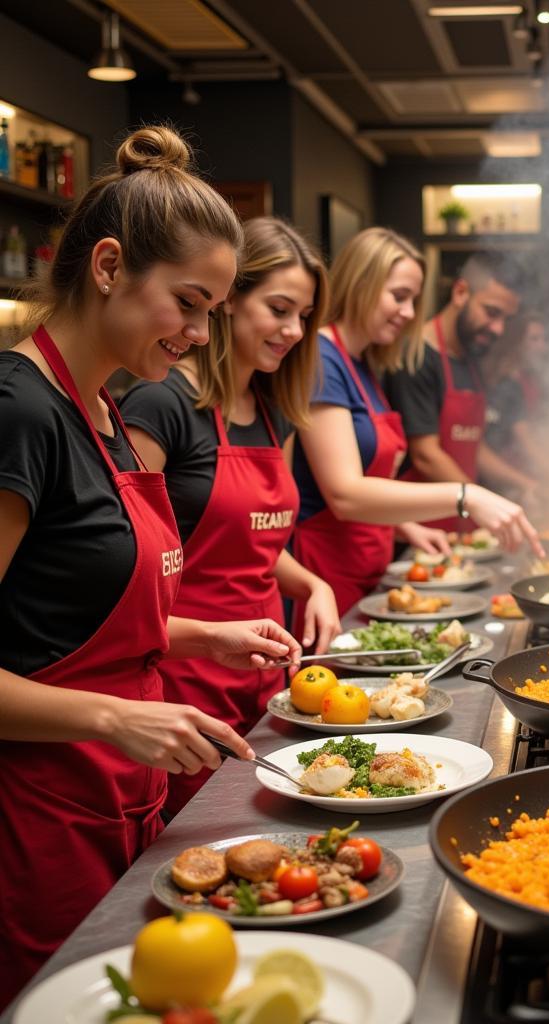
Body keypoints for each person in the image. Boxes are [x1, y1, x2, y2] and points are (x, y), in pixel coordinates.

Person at [0, 126, 300, 1006]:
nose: (203, 333)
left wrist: (204, 635)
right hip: (37, 820)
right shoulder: (19, 413)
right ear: (105, 267)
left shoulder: (96, 407)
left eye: (214, 310)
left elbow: (64, 611)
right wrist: (116, 718)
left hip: (118, 798)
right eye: (190, 303)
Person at [121, 216, 338, 818]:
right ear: (228, 302)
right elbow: (125, 558)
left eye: (304, 316)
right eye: (279, 308)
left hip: (265, 671)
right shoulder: (162, 405)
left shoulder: (272, 412)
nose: (294, 330)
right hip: (185, 678)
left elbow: (258, 543)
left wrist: (311, 582)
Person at [292, 228, 544, 618]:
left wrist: (405, 526)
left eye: (413, 300)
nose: (409, 313)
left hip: (366, 566)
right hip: (328, 571)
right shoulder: (322, 360)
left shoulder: (363, 364)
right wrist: (467, 496)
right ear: (361, 284)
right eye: (399, 297)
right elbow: (344, 494)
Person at [385, 251, 537, 527]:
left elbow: (472, 445)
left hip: (458, 520)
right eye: (491, 313)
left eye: (505, 319)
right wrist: (480, 499)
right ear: (460, 292)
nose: (498, 329)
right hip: (420, 528)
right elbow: (426, 455)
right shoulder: (417, 356)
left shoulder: (471, 356)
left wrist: (525, 483)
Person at [483, 309, 549, 477]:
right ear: (516, 342)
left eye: (544, 339)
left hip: (525, 471)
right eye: (534, 339)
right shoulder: (506, 384)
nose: (543, 346)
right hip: (505, 474)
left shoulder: (531, 379)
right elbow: (524, 439)